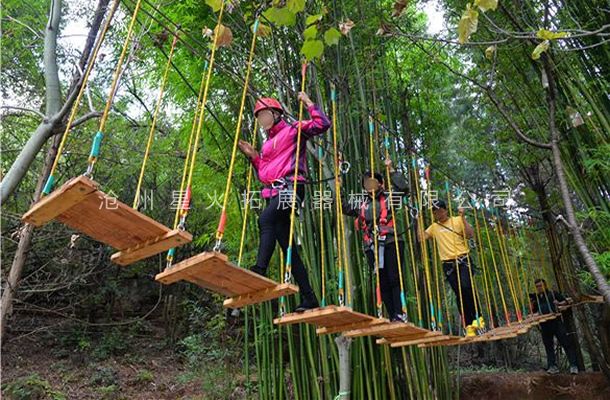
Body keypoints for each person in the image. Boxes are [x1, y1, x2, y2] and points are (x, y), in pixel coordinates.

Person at [237, 92, 330, 312]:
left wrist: (308, 102)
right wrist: (253, 156)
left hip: (291, 188)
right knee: (288, 247)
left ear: (277, 114)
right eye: (259, 118)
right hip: (274, 192)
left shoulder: (294, 130)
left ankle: (259, 269)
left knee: (265, 220)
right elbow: (265, 174)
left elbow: (322, 124)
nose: (262, 120)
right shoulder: (268, 144)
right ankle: (309, 297)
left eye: (265, 115)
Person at [340, 159, 409, 322]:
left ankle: (401, 312)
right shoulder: (361, 204)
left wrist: (391, 169)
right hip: (372, 246)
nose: (369, 184)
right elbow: (344, 206)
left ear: (380, 183)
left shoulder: (390, 197)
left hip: (391, 241)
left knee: (394, 278)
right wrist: (339, 186)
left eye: (372, 181)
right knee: (382, 281)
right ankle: (393, 315)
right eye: (366, 182)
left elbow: (403, 188)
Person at [420, 199, 484, 336]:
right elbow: (421, 238)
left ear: (446, 210)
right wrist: (417, 219)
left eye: (440, 210)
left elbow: (470, 234)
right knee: (459, 294)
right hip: (448, 265)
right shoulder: (434, 227)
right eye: (435, 212)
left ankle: (478, 318)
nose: (438, 213)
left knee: (466, 287)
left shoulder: (457, 220)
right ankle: (468, 325)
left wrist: (463, 217)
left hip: (463, 260)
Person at [530, 278, 578, 375]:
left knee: (566, 343)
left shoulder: (552, 294)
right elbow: (534, 312)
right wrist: (532, 309)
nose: (539, 288)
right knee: (548, 346)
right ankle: (552, 366)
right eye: (537, 286)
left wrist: (559, 303)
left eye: (540, 286)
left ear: (545, 285)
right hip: (544, 325)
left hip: (556, 322)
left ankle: (573, 365)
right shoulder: (536, 298)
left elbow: (566, 301)